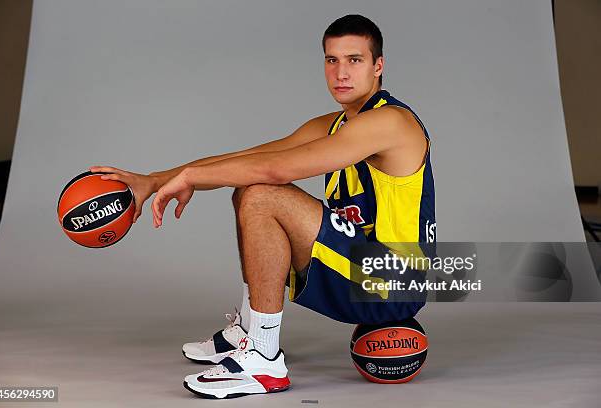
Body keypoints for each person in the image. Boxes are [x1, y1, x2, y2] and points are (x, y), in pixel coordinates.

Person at [90, 14, 435, 399]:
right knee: (247, 185)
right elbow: (254, 155)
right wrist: (154, 180)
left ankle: (264, 359)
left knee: (261, 193)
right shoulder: (337, 123)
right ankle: (250, 330)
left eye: (354, 60)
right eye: (331, 60)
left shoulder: (390, 122)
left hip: (393, 284)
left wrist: (189, 179)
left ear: (378, 66)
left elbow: (275, 169)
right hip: (362, 272)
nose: (340, 72)